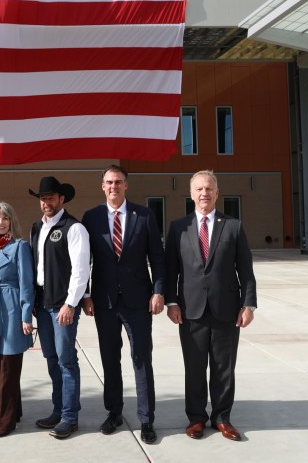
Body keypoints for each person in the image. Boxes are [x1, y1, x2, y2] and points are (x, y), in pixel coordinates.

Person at [166, 170, 257, 441]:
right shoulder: (178, 227)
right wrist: (172, 302)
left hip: (226, 309)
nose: (204, 193)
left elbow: (246, 269)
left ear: (217, 193)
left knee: (223, 368)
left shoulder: (233, 226)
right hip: (190, 310)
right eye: (199, 189)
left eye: (209, 188)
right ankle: (196, 418)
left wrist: (248, 304)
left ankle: (222, 418)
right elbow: (170, 270)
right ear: (191, 194)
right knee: (194, 368)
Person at [81, 165, 165, 444]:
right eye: (109, 182)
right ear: (102, 186)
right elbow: (84, 260)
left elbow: (157, 257)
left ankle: (146, 419)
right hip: (104, 301)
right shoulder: (91, 218)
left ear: (126, 185)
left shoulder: (145, 215)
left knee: (141, 358)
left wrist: (158, 292)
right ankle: (114, 412)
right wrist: (86, 295)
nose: (113, 186)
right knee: (109, 359)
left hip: (138, 301)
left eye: (118, 182)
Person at [29, 176, 89, 440]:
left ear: (61, 199)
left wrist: (70, 303)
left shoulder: (74, 228)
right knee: (52, 359)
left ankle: (69, 417)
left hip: (62, 305)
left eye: (51, 198)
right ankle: (58, 410)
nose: (46, 203)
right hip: (42, 304)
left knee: (66, 360)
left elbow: (81, 270)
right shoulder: (36, 228)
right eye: (43, 198)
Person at [0, 202, 34, 438]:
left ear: (12, 221)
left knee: (9, 368)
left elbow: (26, 283)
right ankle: (15, 411)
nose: (0, 222)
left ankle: (6, 419)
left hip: (12, 309)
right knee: (2, 362)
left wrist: (26, 316)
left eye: (5, 218)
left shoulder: (19, 246)